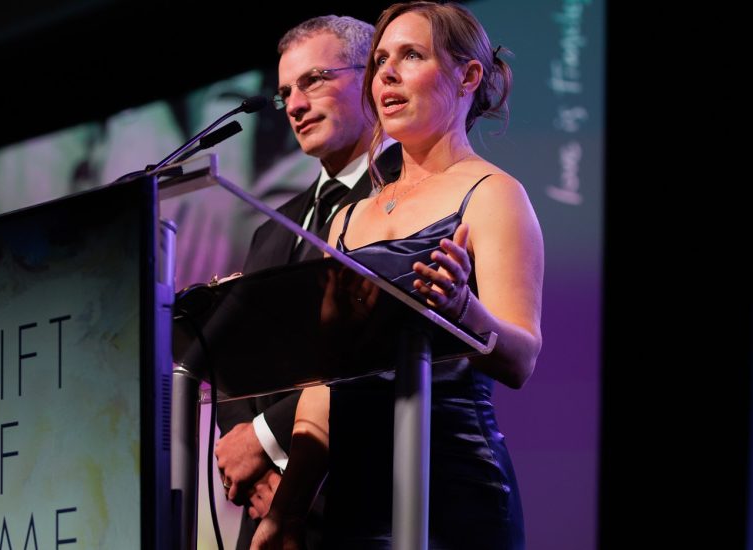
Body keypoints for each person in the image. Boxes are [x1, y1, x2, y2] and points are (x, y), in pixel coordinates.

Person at [252, 2, 543, 549]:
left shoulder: (492, 194)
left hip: (453, 493)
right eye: (380, 59)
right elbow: (324, 384)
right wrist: (287, 511)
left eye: (411, 56)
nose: (385, 73)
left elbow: (521, 359)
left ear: (467, 76)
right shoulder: (348, 217)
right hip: (354, 505)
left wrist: (463, 311)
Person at [214, 14, 403, 550]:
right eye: (284, 93)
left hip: (368, 505)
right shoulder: (271, 228)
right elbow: (234, 357)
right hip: (268, 516)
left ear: (370, 78)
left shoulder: (406, 200)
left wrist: (265, 440)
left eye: (313, 81)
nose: (294, 105)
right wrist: (249, 459)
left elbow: (373, 354)